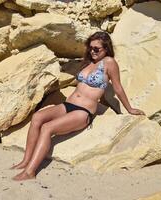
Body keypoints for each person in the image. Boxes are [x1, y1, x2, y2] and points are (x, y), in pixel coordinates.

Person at [11, 31, 145, 181]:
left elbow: (118, 87)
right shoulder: (89, 61)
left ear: (106, 49)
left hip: (83, 112)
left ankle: (30, 172)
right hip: (68, 104)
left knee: (47, 128)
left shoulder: (109, 62)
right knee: (37, 117)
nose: (92, 51)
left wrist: (130, 109)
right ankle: (25, 160)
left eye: (96, 49)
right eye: (90, 47)